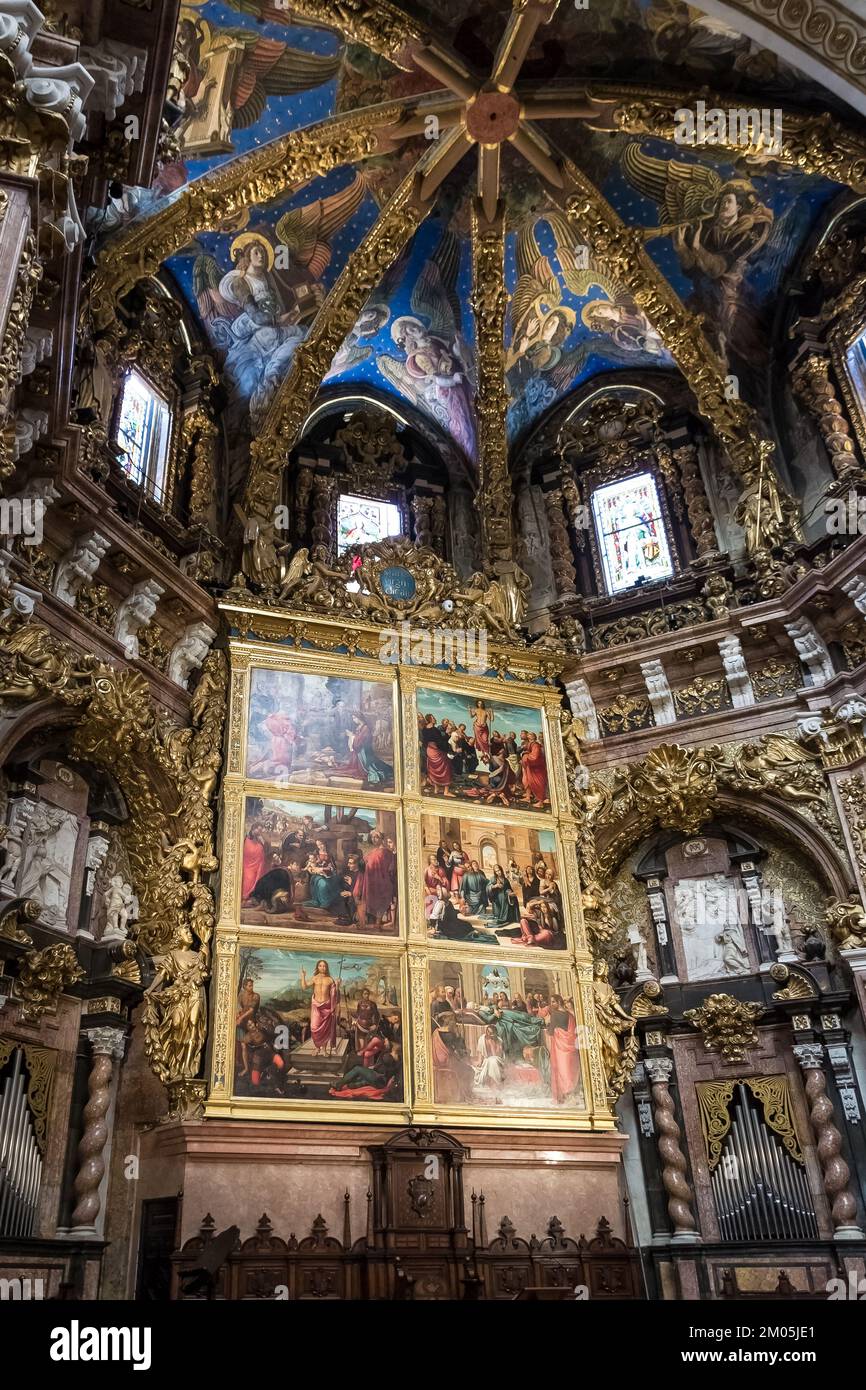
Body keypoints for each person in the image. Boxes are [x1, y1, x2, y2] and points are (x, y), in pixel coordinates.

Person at [329, 1040, 401, 1099]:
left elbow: (383, 1068)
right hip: (379, 1079)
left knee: (357, 1069)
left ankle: (338, 1085)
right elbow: (382, 1067)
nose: (384, 1043)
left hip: (378, 1078)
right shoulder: (393, 1057)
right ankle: (347, 1086)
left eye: (386, 1042)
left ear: (394, 1047)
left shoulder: (389, 1057)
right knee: (361, 1079)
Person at [299, 959, 341, 1057]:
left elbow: (335, 995)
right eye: (320, 966)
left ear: (327, 968)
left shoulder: (330, 979)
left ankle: (324, 1050)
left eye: (324, 966)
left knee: (325, 1030)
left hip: (327, 1007)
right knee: (314, 1027)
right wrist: (303, 976)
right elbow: (304, 987)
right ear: (317, 967)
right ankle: (317, 1048)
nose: (322, 967)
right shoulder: (314, 978)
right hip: (316, 1006)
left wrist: (338, 985)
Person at [342, 714, 393, 788]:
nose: (354, 720)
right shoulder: (359, 727)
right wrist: (353, 736)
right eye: (353, 718)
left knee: (370, 768)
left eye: (354, 718)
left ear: (359, 718)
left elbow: (361, 740)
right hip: (360, 750)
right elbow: (358, 739)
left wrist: (352, 736)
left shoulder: (365, 728)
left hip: (364, 751)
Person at [421, 714, 453, 794]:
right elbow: (440, 742)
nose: (435, 719)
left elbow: (425, 741)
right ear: (430, 719)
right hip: (435, 750)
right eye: (433, 718)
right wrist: (447, 734)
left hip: (429, 750)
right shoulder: (435, 730)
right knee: (446, 766)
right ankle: (446, 791)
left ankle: (436, 789)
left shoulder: (424, 729)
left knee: (433, 768)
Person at [520, 731, 549, 806]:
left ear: (533, 737)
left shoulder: (535, 745)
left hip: (537, 768)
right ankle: (528, 797)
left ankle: (540, 802)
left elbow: (534, 757)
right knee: (529, 782)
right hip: (531, 767)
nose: (528, 735)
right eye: (528, 734)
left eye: (530, 734)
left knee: (538, 784)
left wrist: (526, 756)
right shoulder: (530, 744)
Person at [242, 827, 268, 899]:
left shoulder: (260, 839)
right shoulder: (245, 839)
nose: (259, 831)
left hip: (258, 864)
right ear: (253, 828)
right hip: (248, 864)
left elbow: (265, 848)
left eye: (260, 830)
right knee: (248, 879)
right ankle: (245, 896)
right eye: (258, 829)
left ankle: (251, 897)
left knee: (256, 880)